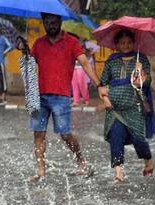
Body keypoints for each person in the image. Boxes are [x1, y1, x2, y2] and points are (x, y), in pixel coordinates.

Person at [28, 12, 108, 182]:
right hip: (39, 96)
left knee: (65, 134)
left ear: (60, 22)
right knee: (38, 134)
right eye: (47, 22)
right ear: (43, 23)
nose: (51, 25)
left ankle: (81, 161)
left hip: (61, 96)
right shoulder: (38, 43)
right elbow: (28, 66)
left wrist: (99, 85)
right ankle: (41, 171)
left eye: (54, 22)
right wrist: (24, 52)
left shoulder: (71, 42)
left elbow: (85, 63)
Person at [99, 29, 155, 183]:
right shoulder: (111, 60)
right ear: (117, 44)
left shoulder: (141, 59)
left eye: (129, 43)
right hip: (115, 109)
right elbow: (103, 82)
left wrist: (141, 76)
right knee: (116, 137)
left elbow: (147, 81)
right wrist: (105, 98)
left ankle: (148, 159)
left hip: (134, 107)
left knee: (139, 139)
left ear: (134, 43)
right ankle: (118, 172)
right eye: (122, 43)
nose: (126, 45)